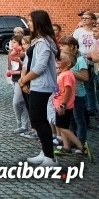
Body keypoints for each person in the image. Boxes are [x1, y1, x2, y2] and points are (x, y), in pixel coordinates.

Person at [18, 10, 60, 167]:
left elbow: (40, 67)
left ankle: (50, 158)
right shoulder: (39, 40)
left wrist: (23, 80)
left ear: (39, 22)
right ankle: (46, 151)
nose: (28, 23)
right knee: (39, 120)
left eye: (30, 20)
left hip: (42, 85)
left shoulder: (43, 42)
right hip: (35, 84)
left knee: (38, 120)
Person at [52, 53, 90, 160]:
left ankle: (80, 146)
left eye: (62, 58)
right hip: (58, 104)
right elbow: (58, 88)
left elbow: (68, 91)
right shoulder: (62, 74)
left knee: (64, 128)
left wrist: (63, 104)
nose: (58, 59)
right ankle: (66, 147)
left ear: (68, 64)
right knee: (61, 126)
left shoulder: (67, 75)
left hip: (64, 106)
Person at [59, 36, 89, 150]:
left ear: (72, 47)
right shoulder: (63, 59)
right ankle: (72, 141)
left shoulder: (80, 60)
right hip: (68, 95)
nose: (61, 48)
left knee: (79, 119)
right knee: (70, 119)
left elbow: (85, 77)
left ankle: (81, 141)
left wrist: (70, 71)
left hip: (78, 94)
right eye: (61, 45)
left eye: (64, 45)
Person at [74, 11, 97, 116]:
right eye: (83, 18)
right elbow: (74, 45)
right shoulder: (79, 31)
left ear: (93, 20)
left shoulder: (95, 31)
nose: (84, 19)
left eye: (87, 18)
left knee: (95, 84)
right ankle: (89, 107)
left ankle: (93, 106)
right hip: (82, 59)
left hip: (95, 59)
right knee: (86, 83)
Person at [7, 35, 31, 133]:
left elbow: (24, 69)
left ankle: (21, 123)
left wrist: (14, 72)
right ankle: (23, 124)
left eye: (14, 42)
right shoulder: (13, 52)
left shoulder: (23, 54)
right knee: (22, 102)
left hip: (21, 79)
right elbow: (11, 65)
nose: (12, 44)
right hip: (14, 78)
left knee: (16, 102)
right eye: (12, 42)